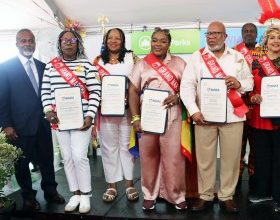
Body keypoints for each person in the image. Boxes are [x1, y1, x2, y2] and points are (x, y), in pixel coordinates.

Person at [180, 21, 253, 213]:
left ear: (225, 36)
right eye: (209, 34)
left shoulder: (237, 57)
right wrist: (193, 110)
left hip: (233, 117)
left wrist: (239, 84)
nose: (211, 37)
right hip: (204, 117)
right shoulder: (197, 57)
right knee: (205, 159)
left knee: (231, 158)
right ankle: (205, 196)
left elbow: (250, 82)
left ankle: (226, 196)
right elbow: (187, 86)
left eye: (216, 33)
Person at [0, 29, 65, 211]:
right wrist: (6, 125)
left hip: (43, 124)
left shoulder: (43, 66)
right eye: (23, 41)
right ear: (17, 44)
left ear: (35, 43)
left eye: (30, 41)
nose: (27, 44)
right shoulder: (5, 67)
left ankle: (51, 191)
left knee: (47, 160)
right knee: (21, 165)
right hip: (18, 128)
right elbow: (1, 99)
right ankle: (28, 196)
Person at [41, 29, 101, 214]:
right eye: (64, 40)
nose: (68, 43)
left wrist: (90, 115)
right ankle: (75, 194)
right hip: (60, 121)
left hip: (81, 119)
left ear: (78, 43)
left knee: (79, 157)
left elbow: (95, 92)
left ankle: (85, 195)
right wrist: (48, 111)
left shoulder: (87, 65)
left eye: (72, 40)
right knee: (67, 158)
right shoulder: (51, 66)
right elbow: (45, 92)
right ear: (59, 44)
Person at [128, 27, 187, 211]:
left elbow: (189, 88)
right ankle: (149, 194)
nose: (158, 44)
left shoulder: (180, 63)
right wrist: (136, 117)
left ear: (169, 44)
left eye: (162, 41)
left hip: (173, 116)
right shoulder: (141, 64)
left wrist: (178, 97)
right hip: (149, 117)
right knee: (148, 157)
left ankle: (176, 195)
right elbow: (133, 91)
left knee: (174, 158)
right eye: (155, 40)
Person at [247, 26, 280, 213]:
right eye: (272, 38)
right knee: (261, 158)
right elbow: (250, 88)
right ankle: (263, 192)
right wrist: (253, 96)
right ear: (265, 41)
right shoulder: (255, 62)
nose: (276, 41)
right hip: (260, 118)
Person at [93, 28, 138, 203]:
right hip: (106, 112)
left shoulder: (131, 58)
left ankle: (129, 184)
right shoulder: (97, 61)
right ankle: (111, 185)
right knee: (108, 148)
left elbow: (138, 82)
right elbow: (94, 87)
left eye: (117, 38)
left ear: (122, 40)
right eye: (110, 38)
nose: (113, 41)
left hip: (127, 111)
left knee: (127, 148)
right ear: (105, 40)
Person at [234, 22, 266, 190]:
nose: (248, 33)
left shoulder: (264, 52)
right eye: (245, 31)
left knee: (256, 142)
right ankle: (237, 174)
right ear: (242, 33)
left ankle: (254, 172)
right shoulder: (233, 51)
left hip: (258, 105)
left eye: (252, 31)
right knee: (238, 141)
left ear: (256, 33)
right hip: (238, 104)